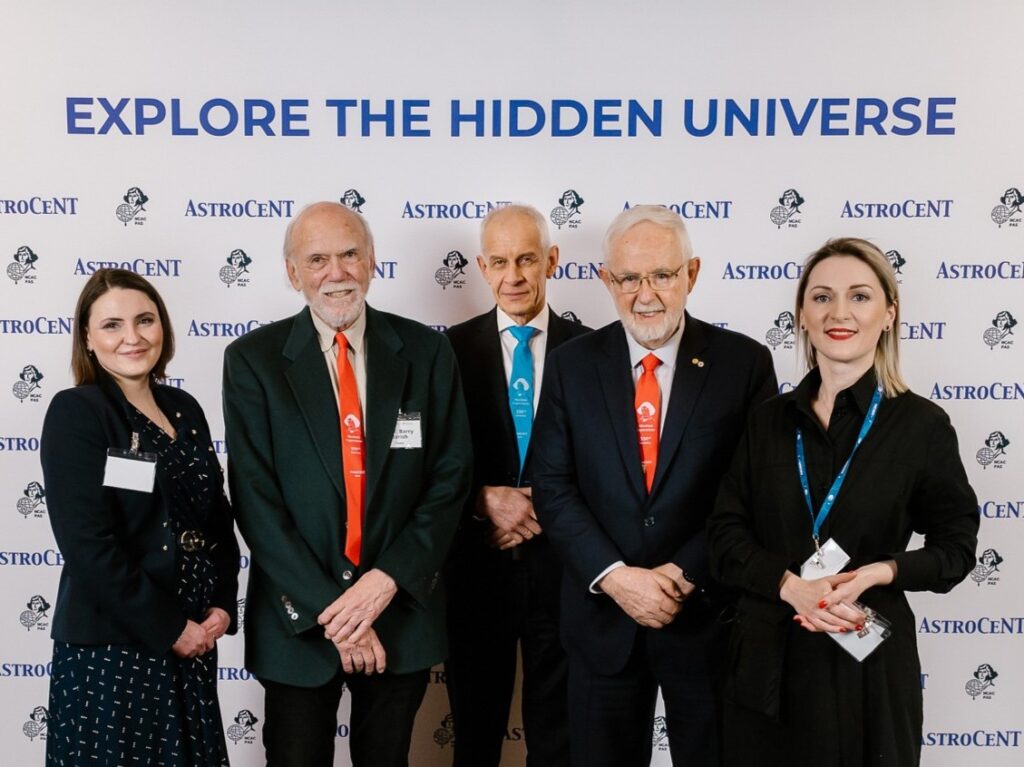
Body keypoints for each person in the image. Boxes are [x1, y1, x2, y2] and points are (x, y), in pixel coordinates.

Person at [706, 237, 979, 766]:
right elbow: (723, 537)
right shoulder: (766, 422)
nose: (839, 312)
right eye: (822, 297)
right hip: (767, 665)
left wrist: (877, 572)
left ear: (889, 313)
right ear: (802, 316)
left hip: (867, 663)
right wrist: (790, 586)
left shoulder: (922, 427)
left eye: (859, 296)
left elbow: (956, 550)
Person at [222, 201, 472, 767]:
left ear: (372, 261)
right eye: (317, 259)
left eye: (349, 254)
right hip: (298, 622)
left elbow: (449, 479)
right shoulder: (252, 361)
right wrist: (337, 613)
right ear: (293, 273)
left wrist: (385, 583)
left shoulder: (428, 352)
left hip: (399, 614)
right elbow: (256, 502)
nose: (336, 273)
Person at [531, 205, 777, 766]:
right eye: (629, 278)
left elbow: (752, 492)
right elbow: (552, 485)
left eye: (662, 275)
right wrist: (617, 579)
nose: (646, 294)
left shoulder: (743, 363)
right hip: (601, 624)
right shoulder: (571, 364)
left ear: (691, 273)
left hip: (706, 621)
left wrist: (684, 572)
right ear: (606, 281)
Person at [40, 268, 239, 767]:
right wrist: (170, 626)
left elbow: (215, 517)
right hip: (115, 652)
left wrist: (220, 603)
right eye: (112, 325)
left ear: (164, 328)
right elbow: (88, 544)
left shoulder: (185, 408)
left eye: (145, 320)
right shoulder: (77, 412)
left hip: (192, 641)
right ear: (87, 337)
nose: (133, 337)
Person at [444, 204, 590, 766]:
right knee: (475, 737)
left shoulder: (592, 351)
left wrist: (542, 509)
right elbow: (426, 465)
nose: (514, 276)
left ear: (551, 260)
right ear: (481, 266)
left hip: (566, 574)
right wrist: (482, 500)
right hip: (476, 570)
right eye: (500, 261)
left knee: (558, 739)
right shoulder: (445, 354)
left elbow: (607, 464)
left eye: (528, 259)